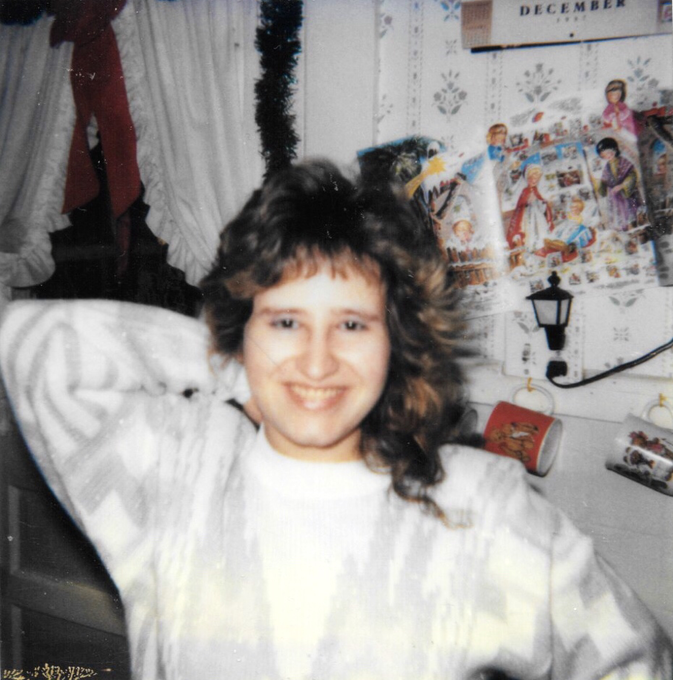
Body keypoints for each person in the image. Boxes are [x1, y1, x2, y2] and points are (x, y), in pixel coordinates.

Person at [1, 160, 671, 680]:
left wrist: (264, 356)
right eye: (285, 322)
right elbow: (29, 345)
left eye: (351, 324)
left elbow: (637, 664)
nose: (317, 361)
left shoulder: (482, 506)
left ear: (397, 340)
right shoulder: (180, 468)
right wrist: (233, 366)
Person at [595, 136, 643, 231]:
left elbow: (633, 175)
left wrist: (622, 186)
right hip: (616, 200)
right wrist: (601, 186)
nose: (608, 156)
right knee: (621, 221)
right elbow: (604, 180)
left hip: (628, 195)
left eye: (609, 152)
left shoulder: (624, 162)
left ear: (615, 149)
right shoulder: (607, 166)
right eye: (604, 155)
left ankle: (637, 229)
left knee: (634, 217)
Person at [506, 163, 554, 253]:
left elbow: (541, 204)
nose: (535, 181)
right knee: (531, 232)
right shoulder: (525, 191)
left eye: (537, 178)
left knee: (540, 230)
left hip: (538, 215)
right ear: (528, 178)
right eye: (533, 178)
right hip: (527, 216)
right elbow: (521, 206)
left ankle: (541, 246)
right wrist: (527, 203)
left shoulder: (537, 191)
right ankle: (532, 248)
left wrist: (543, 202)